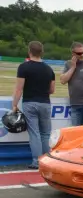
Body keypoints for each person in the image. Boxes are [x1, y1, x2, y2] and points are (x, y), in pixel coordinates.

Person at [11, 41, 55, 169]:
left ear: (29, 51)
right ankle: (48, 160)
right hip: (45, 103)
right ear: (42, 52)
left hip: (30, 102)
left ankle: (36, 161)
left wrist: (14, 104)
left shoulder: (24, 67)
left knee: (34, 133)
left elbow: (19, 88)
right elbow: (52, 90)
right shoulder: (49, 69)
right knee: (46, 133)